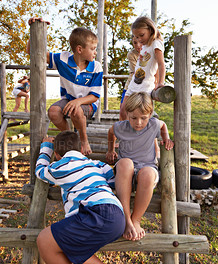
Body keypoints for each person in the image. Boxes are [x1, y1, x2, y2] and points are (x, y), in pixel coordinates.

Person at [35, 131, 125, 264]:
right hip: (117, 215)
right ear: (82, 149)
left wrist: (46, 147)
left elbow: (40, 171)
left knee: (44, 240)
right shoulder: (98, 165)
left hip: (95, 214)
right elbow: (113, 181)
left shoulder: (60, 167)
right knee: (67, 247)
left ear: (57, 155)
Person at [28, 17, 103, 155]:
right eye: (92, 49)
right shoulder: (62, 59)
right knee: (53, 112)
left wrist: (78, 102)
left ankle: (83, 140)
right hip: (69, 99)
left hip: (88, 103)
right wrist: (33, 31)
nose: (95, 52)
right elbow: (35, 53)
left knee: (76, 110)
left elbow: (94, 96)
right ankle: (70, 137)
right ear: (79, 49)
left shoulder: (96, 67)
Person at [106, 92, 174, 241]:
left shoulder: (154, 124)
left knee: (148, 174)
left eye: (143, 118)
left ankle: (135, 219)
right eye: (133, 118)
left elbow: (163, 125)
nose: (138, 123)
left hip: (147, 167)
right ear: (127, 114)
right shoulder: (120, 127)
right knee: (125, 163)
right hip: (126, 171)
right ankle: (126, 218)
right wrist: (111, 150)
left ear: (150, 115)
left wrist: (166, 138)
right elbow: (111, 133)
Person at [119, 16, 166, 121]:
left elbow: (161, 64)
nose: (139, 39)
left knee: (143, 115)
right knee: (123, 111)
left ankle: (145, 136)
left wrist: (160, 82)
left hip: (145, 86)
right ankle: (125, 136)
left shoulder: (156, 43)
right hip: (134, 83)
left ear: (150, 29)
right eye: (136, 37)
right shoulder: (144, 45)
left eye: (141, 35)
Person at [121, 35, 143, 106]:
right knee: (123, 107)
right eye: (135, 43)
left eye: (140, 42)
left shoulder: (149, 53)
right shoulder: (131, 54)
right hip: (131, 84)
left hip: (143, 86)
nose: (138, 45)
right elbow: (137, 71)